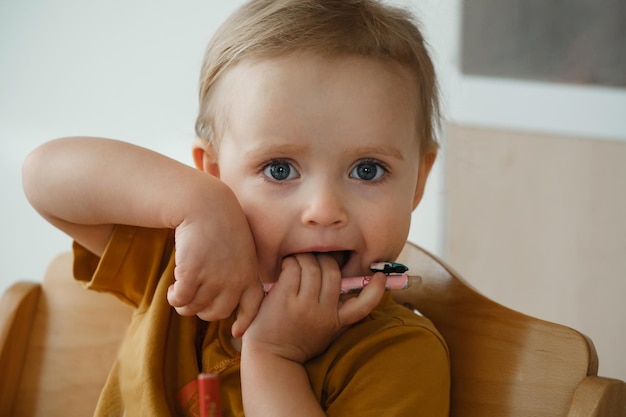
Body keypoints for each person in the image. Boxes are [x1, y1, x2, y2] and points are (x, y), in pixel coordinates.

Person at [22, 0, 450, 415]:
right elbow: (43, 175)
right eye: (279, 169)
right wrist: (199, 203)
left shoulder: (397, 354)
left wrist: (274, 357)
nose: (323, 209)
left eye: (368, 170)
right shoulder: (185, 266)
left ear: (418, 181)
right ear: (215, 171)